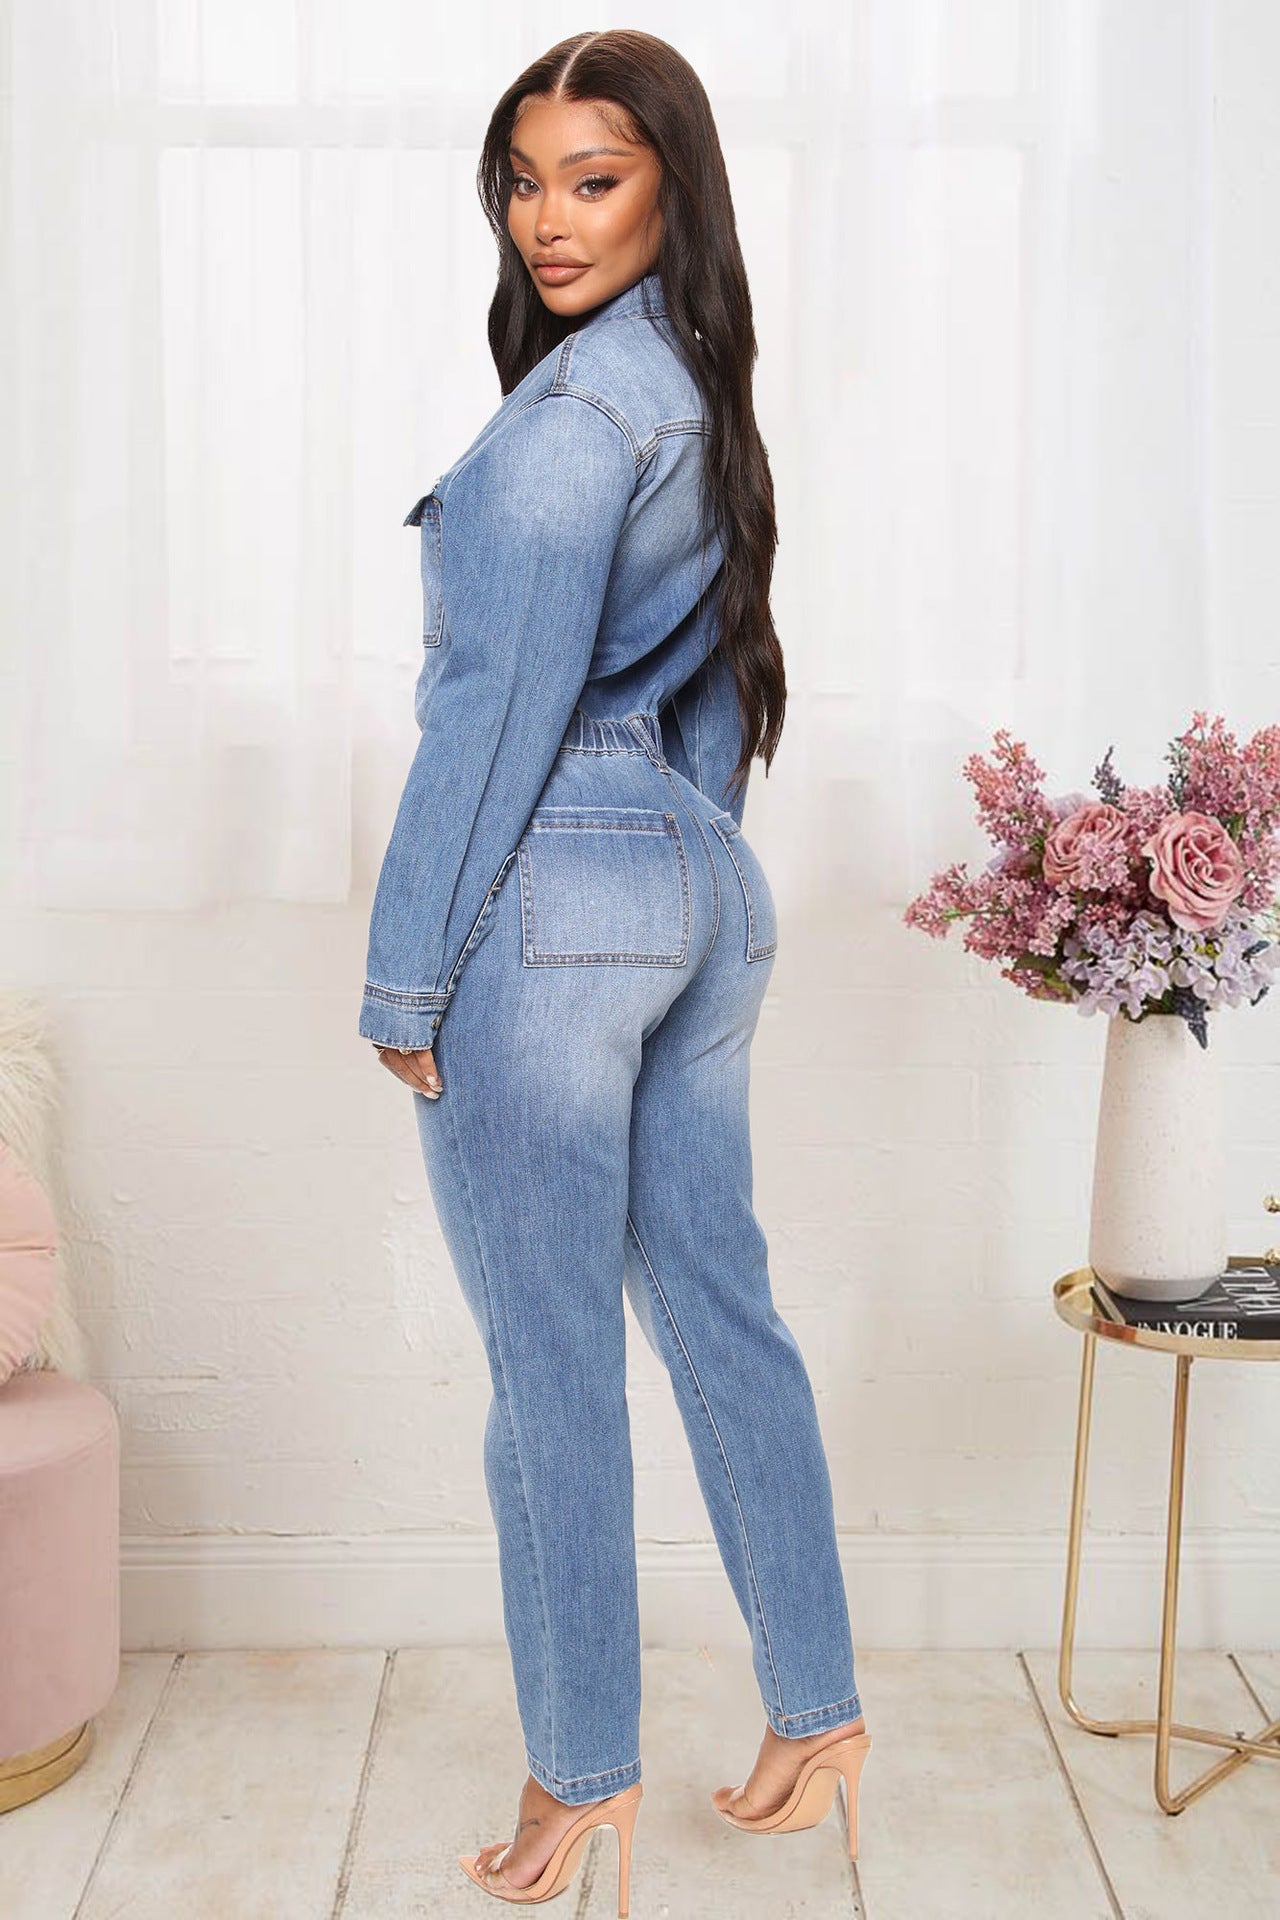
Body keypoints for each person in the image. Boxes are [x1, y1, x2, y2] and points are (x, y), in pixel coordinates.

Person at [358, 28, 870, 1912]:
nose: (548, 218)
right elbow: (720, 689)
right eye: (525, 180)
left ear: (674, 187)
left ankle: (577, 1782)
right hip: (696, 883)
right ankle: (818, 1713)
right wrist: (677, 874)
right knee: (723, 1313)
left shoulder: (576, 418)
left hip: (554, 907)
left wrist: (405, 981)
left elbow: (491, 722)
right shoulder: (695, 396)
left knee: (552, 1362)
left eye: (596, 178)